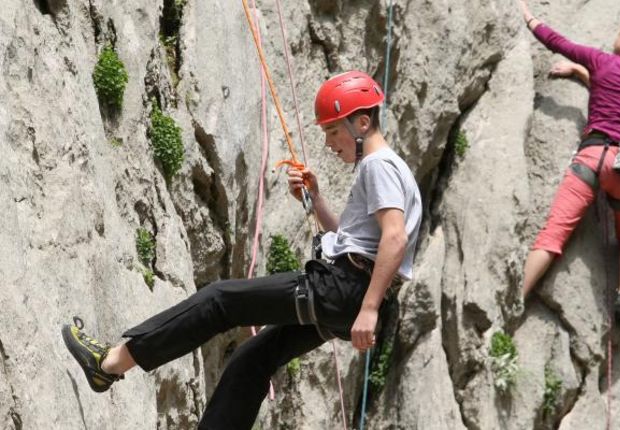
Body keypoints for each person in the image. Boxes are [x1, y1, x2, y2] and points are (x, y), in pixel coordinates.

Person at [61, 70, 422, 429]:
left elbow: (394, 239)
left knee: (221, 301)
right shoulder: (392, 169)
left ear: (361, 122)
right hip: (351, 292)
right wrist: (317, 202)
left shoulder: (378, 166)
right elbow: (357, 239)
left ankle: (109, 364)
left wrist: (369, 309)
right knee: (254, 358)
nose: (329, 142)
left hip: (346, 289)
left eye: (332, 130)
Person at [518, 0, 620, 324]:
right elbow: (619, 90)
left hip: (592, 157)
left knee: (553, 236)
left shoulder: (600, 61)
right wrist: (581, 73)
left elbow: (558, 42)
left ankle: (518, 298)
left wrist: (529, 18)